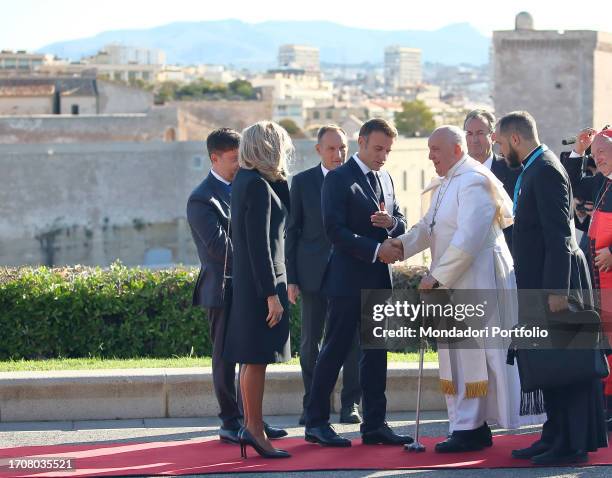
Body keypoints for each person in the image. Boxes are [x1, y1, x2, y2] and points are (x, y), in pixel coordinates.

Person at [391, 126, 528, 452]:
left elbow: (469, 237)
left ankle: (472, 427)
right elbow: (428, 227)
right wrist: (398, 245)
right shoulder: (446, 182)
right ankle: (465, 426)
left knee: (475, 356)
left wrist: (436, 276)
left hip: (478, 283)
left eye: (435, 149)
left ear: (455, 150)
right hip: (453, 285)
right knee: (455, 355)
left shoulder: (474, 181)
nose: (429, 156)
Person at [495, 111, 608, 465]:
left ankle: (570, 444)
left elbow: (560, 235)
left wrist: (558, 292)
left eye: (499, 142)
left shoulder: (545, 169)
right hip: (539, 281)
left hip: (554, 284)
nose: (498, 151)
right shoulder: (534, 166)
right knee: (549, 362)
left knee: (565, 364)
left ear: (516, 138)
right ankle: (554, 433)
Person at [304, 118, 412, 447]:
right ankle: (316, 423)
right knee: (334, 350)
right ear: (361, 142)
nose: (383, 156)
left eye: (388, 150)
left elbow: (401, 221)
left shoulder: (387, 178)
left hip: (379, 280)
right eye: (378, 148)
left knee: (376, 354)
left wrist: (392, 224)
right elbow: (334, 231)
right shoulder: (338, 179)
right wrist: (376, 249)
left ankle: (375, 425)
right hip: (347, 280)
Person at [187, 128, 287, 445]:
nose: (238, 164)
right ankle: (230, 421)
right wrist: (259, 266)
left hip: (249, 283)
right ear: (214, 158)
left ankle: (252, 419)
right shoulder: (202, 198)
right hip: (222, 287)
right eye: (232, 159)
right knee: (225, 357)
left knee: (250, 354)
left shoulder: (250, 182)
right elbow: (220, 247)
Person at [286, 125, 362, 426]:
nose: (338, 154)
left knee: (353, 342)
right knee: (309, 343)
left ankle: (350, 405)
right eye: (331, 148)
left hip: (350, 274)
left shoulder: (358, 181)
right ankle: (313, 404)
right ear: (318, 150)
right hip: (312, 275)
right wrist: (291, 277)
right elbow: (291, 231)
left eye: (342, 148)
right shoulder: (302, 183)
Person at [562, 127, 612, 430]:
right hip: (599, 277)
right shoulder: (601, 182)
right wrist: (579, 152)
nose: (600, 160)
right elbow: (571, 185)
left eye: (603, 153)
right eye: (596, 156)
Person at [464, 109, 521, 250]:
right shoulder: (457, 173)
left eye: (480, 133)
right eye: (469, 134)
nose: (474, 140)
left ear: (493, 136)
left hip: (507, 257)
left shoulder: (514, 170)